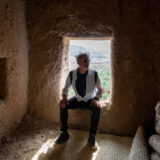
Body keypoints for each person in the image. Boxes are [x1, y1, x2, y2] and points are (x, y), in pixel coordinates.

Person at [55, 52, 103, 148]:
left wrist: (96, 99)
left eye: (88, 60)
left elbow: (100, 88)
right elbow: (66, 88)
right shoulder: (72, 74)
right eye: (85, 61)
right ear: (78, 62)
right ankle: (64, 133)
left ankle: (92, 136)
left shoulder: (94, 74)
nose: (87, 62)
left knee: (97, 109)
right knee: (63, 105)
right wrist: (64, 98)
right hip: (77, 98)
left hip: (89, 99)